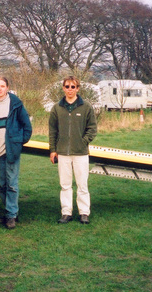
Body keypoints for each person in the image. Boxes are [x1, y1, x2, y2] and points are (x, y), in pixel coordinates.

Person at [0, 77, 32, 229]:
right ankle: (11, 212)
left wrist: (18, 142)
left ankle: (10, 216)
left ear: (7, 87)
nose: (0, 89)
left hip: (11, 152)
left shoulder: (15, 104)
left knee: (12, 185)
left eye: (2, 86)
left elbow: (27, 127)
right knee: (2, 186)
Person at [48, 76, 98, 225]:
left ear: (78, 89)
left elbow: (92, 128)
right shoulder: (57, 108)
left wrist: (83, 142)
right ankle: (66, 212)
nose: (70, 89)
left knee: (82, 184)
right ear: (63, 88)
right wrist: (53, 149)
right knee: (65, 184)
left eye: (73, 87)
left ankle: (84, 213)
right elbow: (52, 130)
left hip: (80, 153)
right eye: (67, 86)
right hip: (62, 152)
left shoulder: (86, 107)